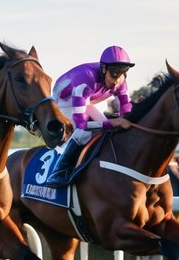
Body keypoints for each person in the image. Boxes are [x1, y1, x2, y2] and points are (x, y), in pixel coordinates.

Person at [44, 46, 135, 186]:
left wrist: (128, 121)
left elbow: (126, 111)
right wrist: (114, 122)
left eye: (122, 74)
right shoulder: (86, 78)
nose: (117, 81)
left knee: (109, 130)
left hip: (86, 100)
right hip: (64, 101)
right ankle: (59, 170)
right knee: (83, 133)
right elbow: (81, 124)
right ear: (104, 69)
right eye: (114, 74)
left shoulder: (121, 81)